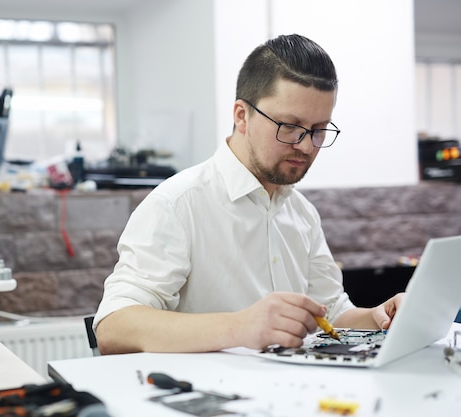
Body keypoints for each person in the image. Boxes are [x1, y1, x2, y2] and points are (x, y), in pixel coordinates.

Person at [93, 33, 404, 355]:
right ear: (241, 116)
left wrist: (378, 316)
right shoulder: (177, 204)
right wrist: (240, 327)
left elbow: (332, 314)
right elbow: (114, 328)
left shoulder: (302, 212)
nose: (306, 145)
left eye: (319, 129)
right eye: (289, 126)